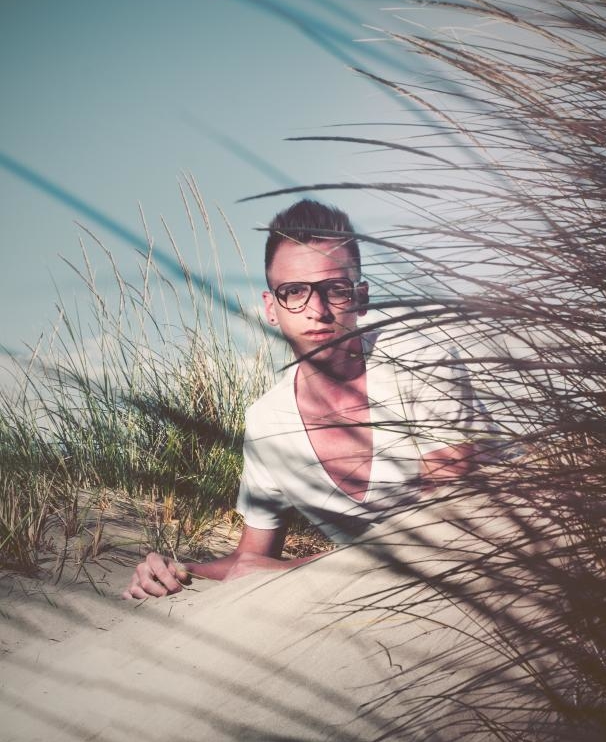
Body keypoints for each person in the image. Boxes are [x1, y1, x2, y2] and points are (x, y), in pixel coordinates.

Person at [123, 200, 483, 600]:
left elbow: (453, 522)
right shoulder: (266, 422)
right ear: (271, 308)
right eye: (294, 291)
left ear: (361, 297)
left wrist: (296, 569)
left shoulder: (419, 360)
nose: (317, 310)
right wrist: (180, 571)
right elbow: (251, 559)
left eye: (336, 290)